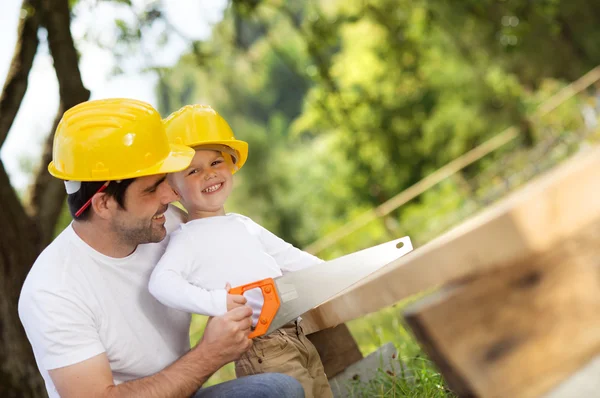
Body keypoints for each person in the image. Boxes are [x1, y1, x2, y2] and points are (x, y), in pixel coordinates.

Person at [18, 98, 304, 398]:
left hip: (183, 391)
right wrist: (209, 355)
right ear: (104, 203)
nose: (171, 193)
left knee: (276, 390)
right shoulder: (53, 290)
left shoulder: (168, 223)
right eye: (153, 187)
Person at [148, 104, 333, 398]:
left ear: (232, 164)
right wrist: (217, 302)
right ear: (173, 190)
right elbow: (161, 283)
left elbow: (292, 258)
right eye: (193, 170)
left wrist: (338, 275)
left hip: (296, 333)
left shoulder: (243, 224)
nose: (209, 174)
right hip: (262, 348)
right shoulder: (188, 239)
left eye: (216, 162)